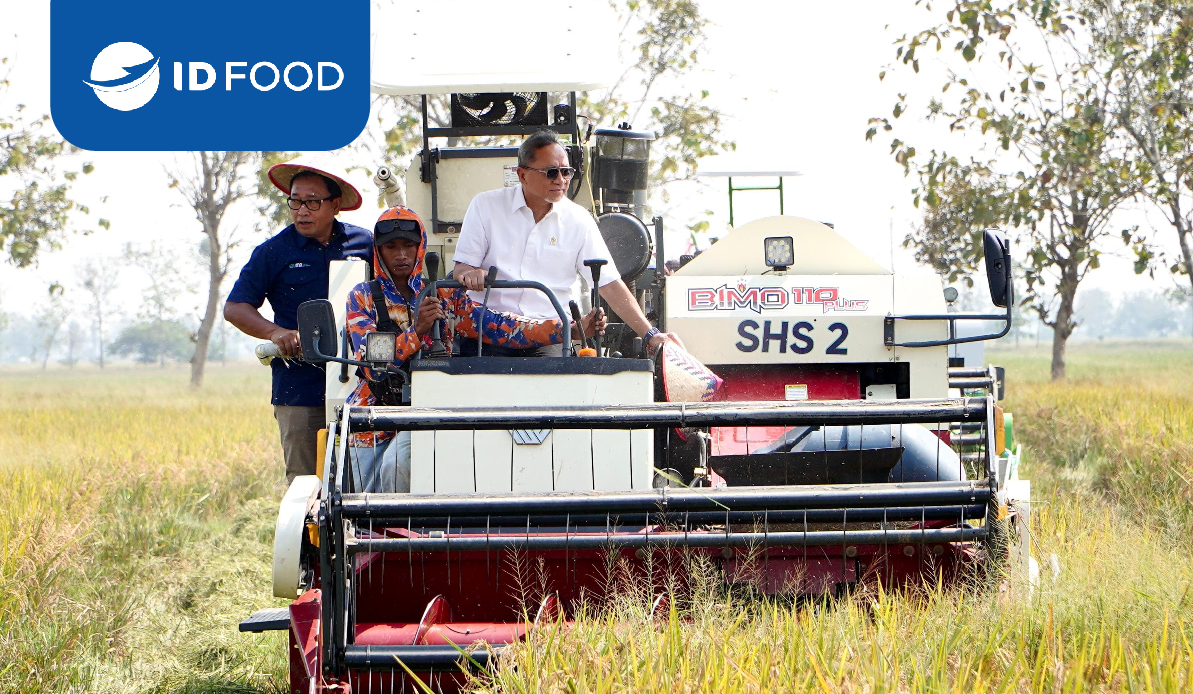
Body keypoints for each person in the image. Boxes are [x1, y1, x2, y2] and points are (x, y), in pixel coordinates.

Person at [344, 206, 575, 491]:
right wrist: (416, 332)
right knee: (363, 512)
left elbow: (500, 327)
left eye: (408, 246)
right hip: (375, 418)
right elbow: (369, 357)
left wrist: (565, 330)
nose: (401, 255)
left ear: (421, 247)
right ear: (378, 251)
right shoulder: (362, 297)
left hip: (434, 410)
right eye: (391, 247)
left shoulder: (445, 295)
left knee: (407, 467)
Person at [453, 130, 683, 357]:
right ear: (521, 175)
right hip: (487, 331)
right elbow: (461, 269)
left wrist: (650, 334)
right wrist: (469, 274)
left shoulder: (579, 219)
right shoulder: (485, 205)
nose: (561, 180)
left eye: (566, 172)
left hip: (547, 335)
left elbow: (610, 283)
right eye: (551, 172)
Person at [224, 154, 372, 485]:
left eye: (312, 203)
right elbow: (235, 307)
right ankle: (306, 538)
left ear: (335, 205)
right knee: (305, 485)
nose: (302, 211)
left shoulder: (366, 244)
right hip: (298, 388)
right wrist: (276, 333)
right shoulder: (273, 252)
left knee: (363, 480)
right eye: (295, 202)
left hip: (362, 385)